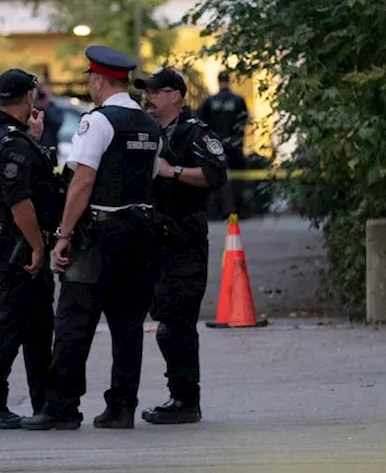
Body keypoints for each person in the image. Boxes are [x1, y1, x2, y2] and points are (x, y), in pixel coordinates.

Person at [22, 45, 172, 431]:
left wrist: (63, 235)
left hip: (100, 233)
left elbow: (82, 180)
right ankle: (122, 408)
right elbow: (152, 175)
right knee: (128, 326)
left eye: (90, 78)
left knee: (75, 320)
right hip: (140, 231)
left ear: (99, 80)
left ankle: (62, 407)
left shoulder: (98, 122)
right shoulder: (151, 126)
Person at [135, 67, 227, 425]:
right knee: (162, 320)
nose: (149, 99)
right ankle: (178, 395)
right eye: (147, 93)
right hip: (152, 241)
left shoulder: (195, 133)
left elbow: (216, 174)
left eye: (156, 92)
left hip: (184, 240)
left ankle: (186, 400)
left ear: (176, 95)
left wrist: (171, 171)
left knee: (177, 324)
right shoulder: (147, 132)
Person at [0, 69, 58, 429]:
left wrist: (33, 136)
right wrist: (38, 246)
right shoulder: (12, 144)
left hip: (13, 243)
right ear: (27, 97)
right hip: (20, 247)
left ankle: (44, 403)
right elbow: (20, 201)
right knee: (10, 328)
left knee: (39, 329)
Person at [197, 71, 249, 219]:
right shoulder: (238, 100)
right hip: (235, 145)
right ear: (230, 80)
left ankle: (218, 211)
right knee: (238, 180)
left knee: (215, 177)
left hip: (215, 145)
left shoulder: (210, 101)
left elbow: (202, 123)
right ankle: (238, 210)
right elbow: (243, 122)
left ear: (218, 81)